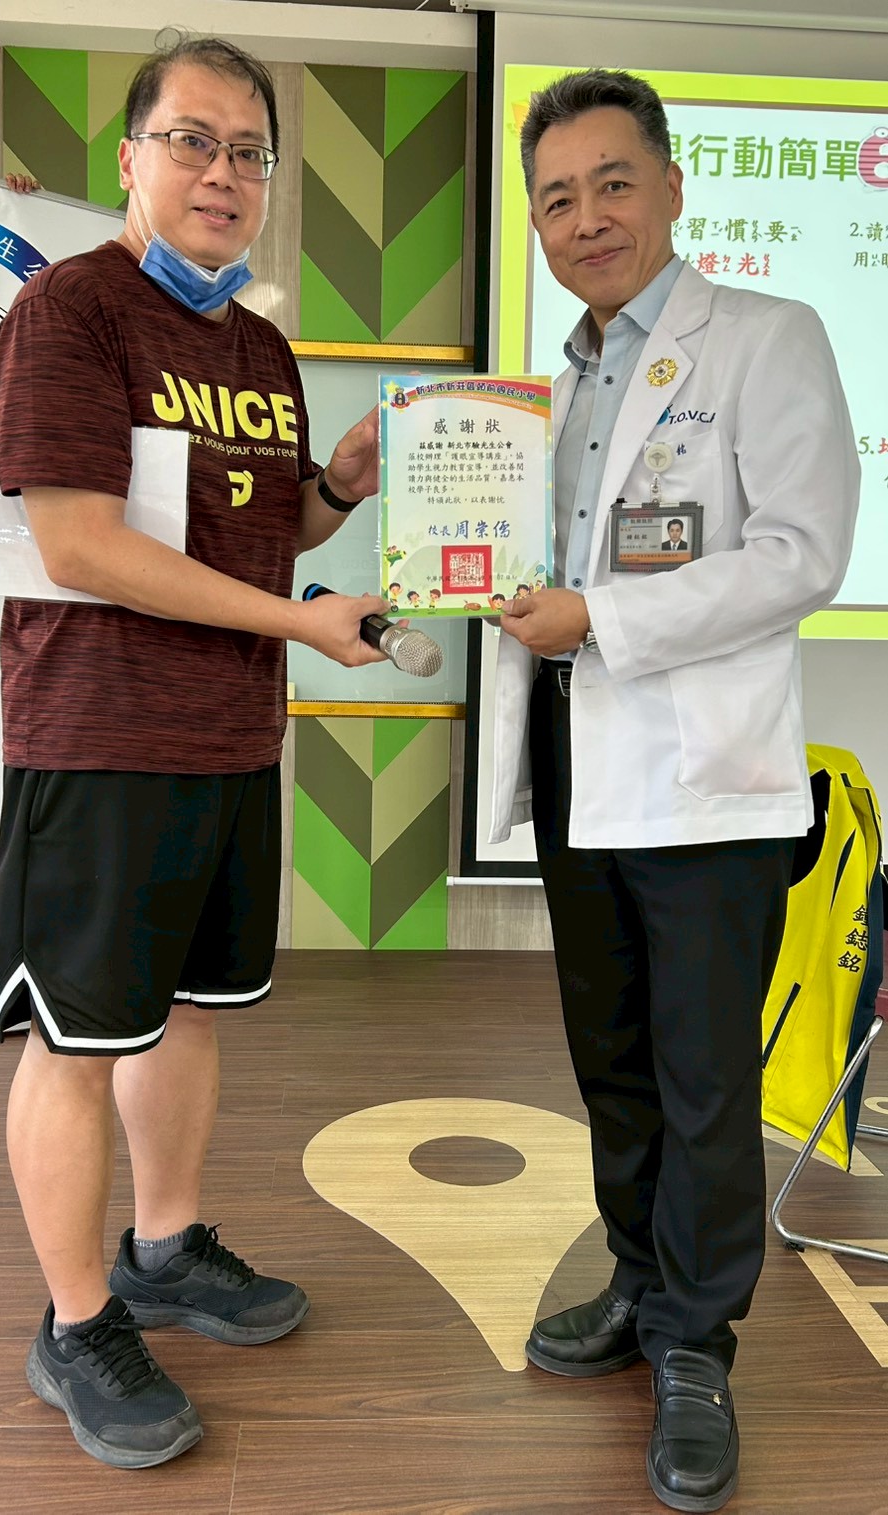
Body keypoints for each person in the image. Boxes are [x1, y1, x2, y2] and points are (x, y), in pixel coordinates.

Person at [0, 32, 389, 1470]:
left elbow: (265, 531)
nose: (224, 173)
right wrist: (299, 619)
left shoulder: (257, 348)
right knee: (78, 1041)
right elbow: (80, 544)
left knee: (190, 1011)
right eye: (193, 141)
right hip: (98, 738)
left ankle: (161, 1249)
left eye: (249, 153)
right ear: (131, 158)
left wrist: (337, 490)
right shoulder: (70, 312)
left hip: (226, 738)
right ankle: (76, 1321)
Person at [490, 69, 858, 1512]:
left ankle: (697, 1344)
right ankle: (639, 1281)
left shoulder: (767, 337)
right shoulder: (545, 391)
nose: (585, 218)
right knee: (614, 1059)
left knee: (707, 1080)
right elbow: (518, 567)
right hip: (578, 760)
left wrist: (604, 619)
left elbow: (802, 554)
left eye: (611, 183)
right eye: (556, 198)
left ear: (672, 187)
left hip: (708, 784)